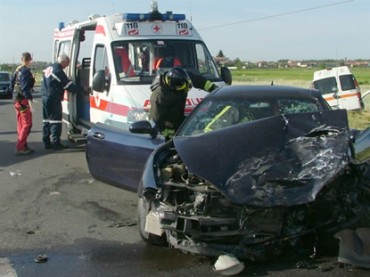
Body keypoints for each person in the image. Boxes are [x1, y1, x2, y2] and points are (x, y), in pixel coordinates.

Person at [149, 67, 218, 141]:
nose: (185, 90)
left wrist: (215, 89)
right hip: (169, 124)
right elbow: (156, 118)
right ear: (172, 86)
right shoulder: (159, 95)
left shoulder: (182, 76)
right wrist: (167, 136)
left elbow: (201, 81)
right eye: (182, 87)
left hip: (180, 118)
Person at [41, 54, 79, 150]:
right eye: (67, 63)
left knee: (46, 119)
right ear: (63, 62)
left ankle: (46, 141)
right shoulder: (58, 71)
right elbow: (68, 86)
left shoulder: (48, 67)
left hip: (44, 96)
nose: (67, 65)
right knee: (55, 120)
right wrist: (83, 89)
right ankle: (56, 143)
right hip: (53, 98)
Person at [12, 52, 35, 155]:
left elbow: (11, 84)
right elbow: (25, 88)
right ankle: (20, 146)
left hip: (16, 99)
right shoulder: (25, 71)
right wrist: (30, 102)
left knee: (21, 124)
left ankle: (23, 144)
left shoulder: (17, 70)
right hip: (23, 100)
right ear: (29, 59)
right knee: (27, 124)